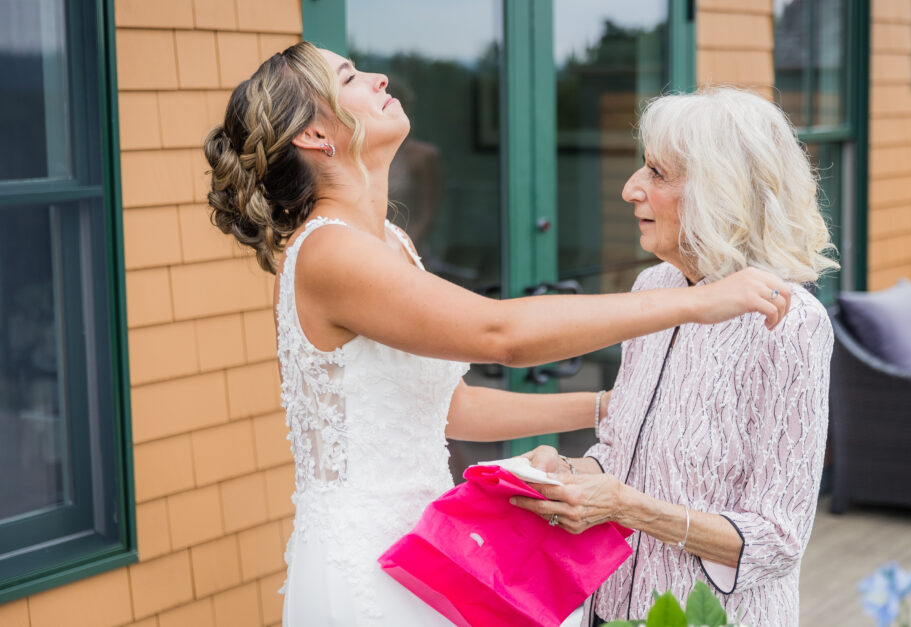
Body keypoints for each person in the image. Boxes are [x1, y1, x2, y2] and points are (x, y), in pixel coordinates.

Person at [204, 42, 792, 626]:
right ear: (313, 135)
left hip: (426, 539)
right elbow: (500, 332)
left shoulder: (388, 243)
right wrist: (694, 302)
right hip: (362, 558)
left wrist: (604, 405)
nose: (380, 78)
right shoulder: (330, 252)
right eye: (352, 76)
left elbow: (449, 408)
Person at [511, 87, 837, 627]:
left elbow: (778, 541)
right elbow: (620, 448)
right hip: (606, 606)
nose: (630, 189)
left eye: (657, 174)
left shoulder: (792, 322)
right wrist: (566, 471)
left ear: (721, 191)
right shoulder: (653, 287)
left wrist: (625, 506)